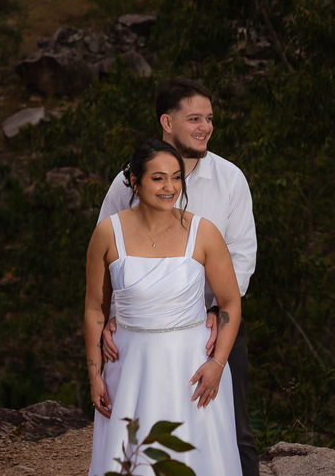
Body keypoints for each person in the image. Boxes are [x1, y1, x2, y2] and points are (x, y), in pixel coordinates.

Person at [98, 78, 258, 476]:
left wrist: (217, 311)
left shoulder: (230, 179)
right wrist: (113, 316)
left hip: (210, 323)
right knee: (138, 430)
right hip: (141, 330)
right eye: (194, 119)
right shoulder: (127, 181)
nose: (205, 127)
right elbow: (107, 254)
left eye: (209, 118)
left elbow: (242, 254)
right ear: (167, 122)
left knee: (232, 432)